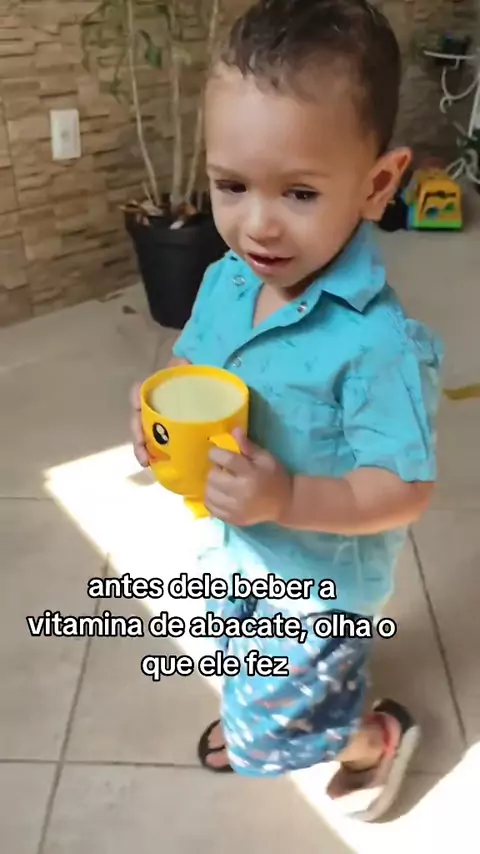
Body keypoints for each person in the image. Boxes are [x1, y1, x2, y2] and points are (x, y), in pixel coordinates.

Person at [131, 0, 443, 822]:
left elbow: (405, 489)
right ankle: (273, 708)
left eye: (299, 191)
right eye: (232, 185)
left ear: (377, 184)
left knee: (284, 712)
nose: (257, 224)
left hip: (314, 586)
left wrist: (288, 498)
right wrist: (157, 416)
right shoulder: (227, 279)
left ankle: (367, 737)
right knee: (245, 660)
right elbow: (194, 365)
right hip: (234, 551)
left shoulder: (375, 344)